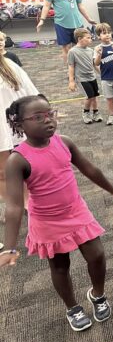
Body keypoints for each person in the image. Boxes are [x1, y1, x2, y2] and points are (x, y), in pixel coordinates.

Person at [0, 95, 113, 331]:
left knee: (96, 255)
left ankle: (97, 295)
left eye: (50, 114)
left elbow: (89, 169)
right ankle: (72, 308)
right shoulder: (17, 160)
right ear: (20, 125)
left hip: (76, 211)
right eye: (38, 117)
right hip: (46, 221)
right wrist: (10, 246)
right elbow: (13, 207)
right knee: (60, 266)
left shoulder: (64, 142)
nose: (48, 121)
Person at [0, 55, 38, 226]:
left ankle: (27, 203)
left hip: (13, 126)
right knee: (2, 173)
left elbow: (30, 93)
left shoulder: (9, 65)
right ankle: (12, 205)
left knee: (25, 166)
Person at [37, 0, 96, 65]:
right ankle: (70, 71)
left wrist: (88, 19)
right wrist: (42, 20)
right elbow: (47, 6)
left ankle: (82, 67)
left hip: (77, 23)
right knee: (66, 48)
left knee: (82, 46)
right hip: (62, 23)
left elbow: (80, 5)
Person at [68, 28, 102, 124]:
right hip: (82, 79)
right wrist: (71, 81)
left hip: (92, 77)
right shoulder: (72, 52)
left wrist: (101, 73)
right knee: (89, 97)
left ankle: (96, 112)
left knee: (95, 96)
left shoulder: (90, 51)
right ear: (79, 39)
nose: (91, 40)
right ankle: (86, 112)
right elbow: (71, 67)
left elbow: (94, 64)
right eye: (88, 38)